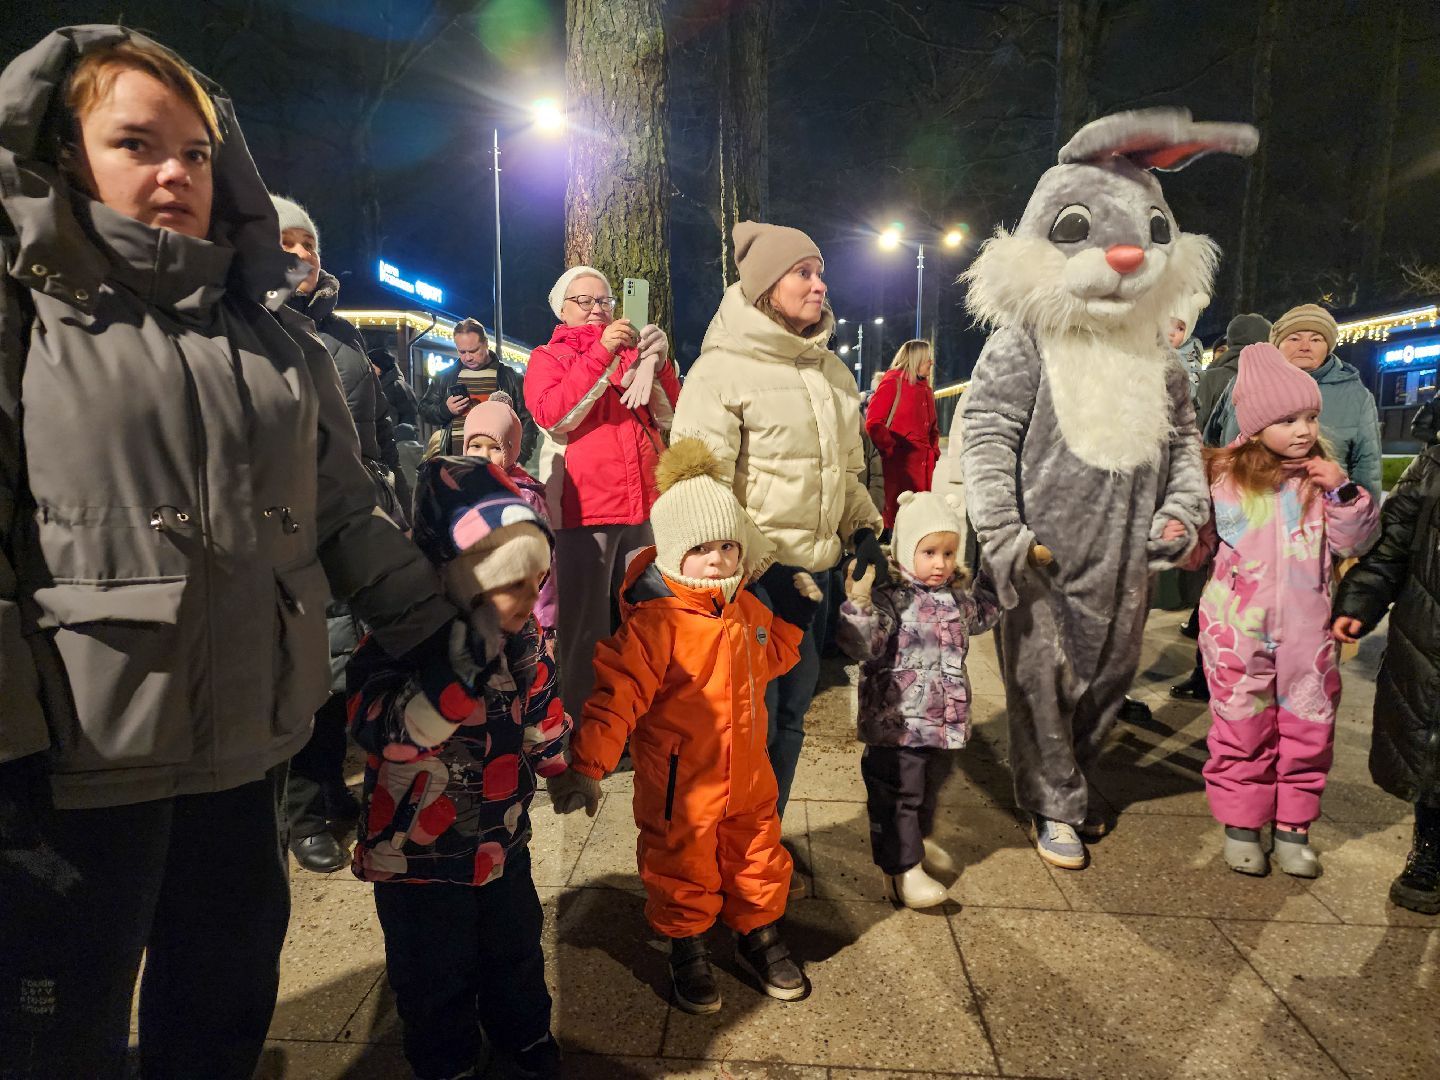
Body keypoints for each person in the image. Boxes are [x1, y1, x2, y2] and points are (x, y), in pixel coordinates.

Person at [0, 27, 484, 1079]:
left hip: (242, 749)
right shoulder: (22, 315)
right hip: (76, 768)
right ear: (65, 153)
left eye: (196, 151)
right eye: (136, 143)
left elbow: (345, 514)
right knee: (57, 1034)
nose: (175, 172)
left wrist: (434, 630)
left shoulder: (275, 342)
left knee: (223, 999)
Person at [546, 439, 818, 1013]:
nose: (717, 560)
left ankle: (758, 931)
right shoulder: (655, 624)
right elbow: (616, 698)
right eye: (700, 548)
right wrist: (587, 765)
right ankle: (687, 942)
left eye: (727, 546)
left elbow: (767, 661)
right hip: (680, 785)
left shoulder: (747, 610)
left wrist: (791, 624)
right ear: (673, 552)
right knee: (680, 862)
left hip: (749, 778)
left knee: (757, 854)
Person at [348, 456, 568, 1080]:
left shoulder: (522, 640)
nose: (529, 600)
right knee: (431, 972)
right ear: (458, 574)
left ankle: (524, 1038)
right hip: (416, 857)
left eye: (537, 582)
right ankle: (445, 1062)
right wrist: (453, 674)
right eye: (511, 584)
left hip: (502, 840)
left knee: (515, 952)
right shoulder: (398, 644)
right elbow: (381, 728)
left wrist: (557, 761)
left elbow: (541, 702)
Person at [672, 221, 886, 820]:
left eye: (821, 272)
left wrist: (863, 531)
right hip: (751, 587)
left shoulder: (832, 373)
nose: (820, 285)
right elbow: (699, 488)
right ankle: (724, 851)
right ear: (767, 287)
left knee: (790, 720)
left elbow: (846, 473)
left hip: (814, 583)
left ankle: (764, 841)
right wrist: (765, 571)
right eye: (804, 273)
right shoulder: (721, 371)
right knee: (746, 727)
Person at [1184, 345, 1377, 878]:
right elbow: (1196, 552)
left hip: (1307, 633)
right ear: (1255, 424)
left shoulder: (1321, 480)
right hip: (1235, 633)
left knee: (1309, 728)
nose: (1303, 430)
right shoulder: (1221, 478)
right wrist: (1177, 532)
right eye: (1288, 419)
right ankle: (1242, 825)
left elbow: (1355, 540)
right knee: (1241, 729)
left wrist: (1342, 491)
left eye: (1310, 417)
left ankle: (1294, 828)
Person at [271, 193, 407, 874]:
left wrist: (390, 500)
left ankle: (328, 787)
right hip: (290, 521)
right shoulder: (255, 325)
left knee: (343, 660)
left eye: (308, 243)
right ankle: (301, 813)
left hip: (350, 515)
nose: (301, 255)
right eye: (285, 243)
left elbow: (374, 430)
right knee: (302, 668)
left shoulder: (344, 334)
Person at [523, 265, 678, 720]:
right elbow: (553, 415)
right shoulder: (547, 358)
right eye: (584, 301)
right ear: (562, 310)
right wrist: (601, 353)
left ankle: (639, 722)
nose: (597, 309)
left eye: (604, 300)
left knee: (648, 624)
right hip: (584, 511)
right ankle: (582, 729)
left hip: (643, 509)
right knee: (585, 631)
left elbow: (672, 415)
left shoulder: (633, 355)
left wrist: (661, 364)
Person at [837, 490, 1000, 908]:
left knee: (927, 791)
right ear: (906, 550)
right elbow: (863, 645)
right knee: (899, 795)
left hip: (941, 724)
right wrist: (858, 603)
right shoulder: (891, 598)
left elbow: (985, 612)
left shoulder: (956, 597)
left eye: (948, 553)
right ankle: (903, 869)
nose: (940, 563)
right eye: (929, 552)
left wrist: (1001, 570)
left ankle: (916, 846)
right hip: (898, 726)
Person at [1332, 446, 1440, 914]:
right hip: (1429, 634)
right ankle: (1429, 850)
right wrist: (1359, 603)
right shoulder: (1433, 466)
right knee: (1431, 751)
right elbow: (1392, 545)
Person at [1171, 312, 1274, 703]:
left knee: (1219, 590)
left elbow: (1202, 433)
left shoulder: (1214, 377)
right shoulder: (1225, 380)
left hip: (1225, 496)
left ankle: (1211, 673)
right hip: (1238, 498)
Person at [1211, 305, 1383, 500]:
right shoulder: (1245, 383)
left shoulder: (1356, 395)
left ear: (1328, 346)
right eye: (1294, 338)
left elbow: (1367, 466)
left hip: (1321, 509)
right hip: (1246, 502)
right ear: (1277, 344)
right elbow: (1214, 440)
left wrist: (1358, 508)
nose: (1305, 346)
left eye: (1316, 339)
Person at [462, 390, 558, 648]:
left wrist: (545, 621)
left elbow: (543, 565)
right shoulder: (460, 491)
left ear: (512, 450)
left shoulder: (525, 498)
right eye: (475, 446)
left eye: (495, 448)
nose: (483, 455)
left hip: (519, 617)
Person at [420, 317, 535, 460]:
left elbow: (528, 421)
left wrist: (519, 458)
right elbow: (424, 409)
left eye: (473, 351)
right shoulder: (445, 377)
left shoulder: (510, 377)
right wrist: (445, 410)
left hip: (497, 462)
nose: (468, 357)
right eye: (462, 352)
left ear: (486, 344)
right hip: (455, 461)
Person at [865, 339, 941, 530]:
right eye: (927, 358)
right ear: (915, 359)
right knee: (898, 523)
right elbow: (873, 422)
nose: (931, 362)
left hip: (923, 471)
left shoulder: (926, 390)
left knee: (918, 525)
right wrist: (891, 449)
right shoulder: (893, 382)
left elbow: (932, 429)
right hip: (898, 471)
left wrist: (934, 452)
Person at [1195, 313, 1270, 440]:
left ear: (1231, 340)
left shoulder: (1211, 377)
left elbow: (1195, 424)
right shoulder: (1275, 379)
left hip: (1215, 450)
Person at [371, 345, 421, 430]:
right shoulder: (374, 386)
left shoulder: (398, 386)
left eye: (372, 366)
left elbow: (410, 416)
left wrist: (403, 435)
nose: (369, 369)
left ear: (381, 366)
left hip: (393, 436)